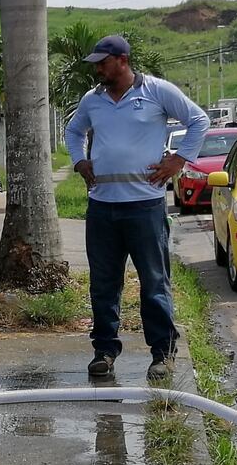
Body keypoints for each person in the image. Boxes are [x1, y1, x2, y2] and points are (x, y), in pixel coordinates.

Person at [65, 34, 209, 382]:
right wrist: (79, 162)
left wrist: (178, 160)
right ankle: (104, 351)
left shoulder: (156, 91)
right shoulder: (92, 100)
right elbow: (73, 132)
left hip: (145, 206)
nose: (98, 69)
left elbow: (199, 120)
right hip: (102, 208)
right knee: (103, 283)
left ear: (122, 61)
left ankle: (163, 353)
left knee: (154, 281)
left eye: (103, 63)